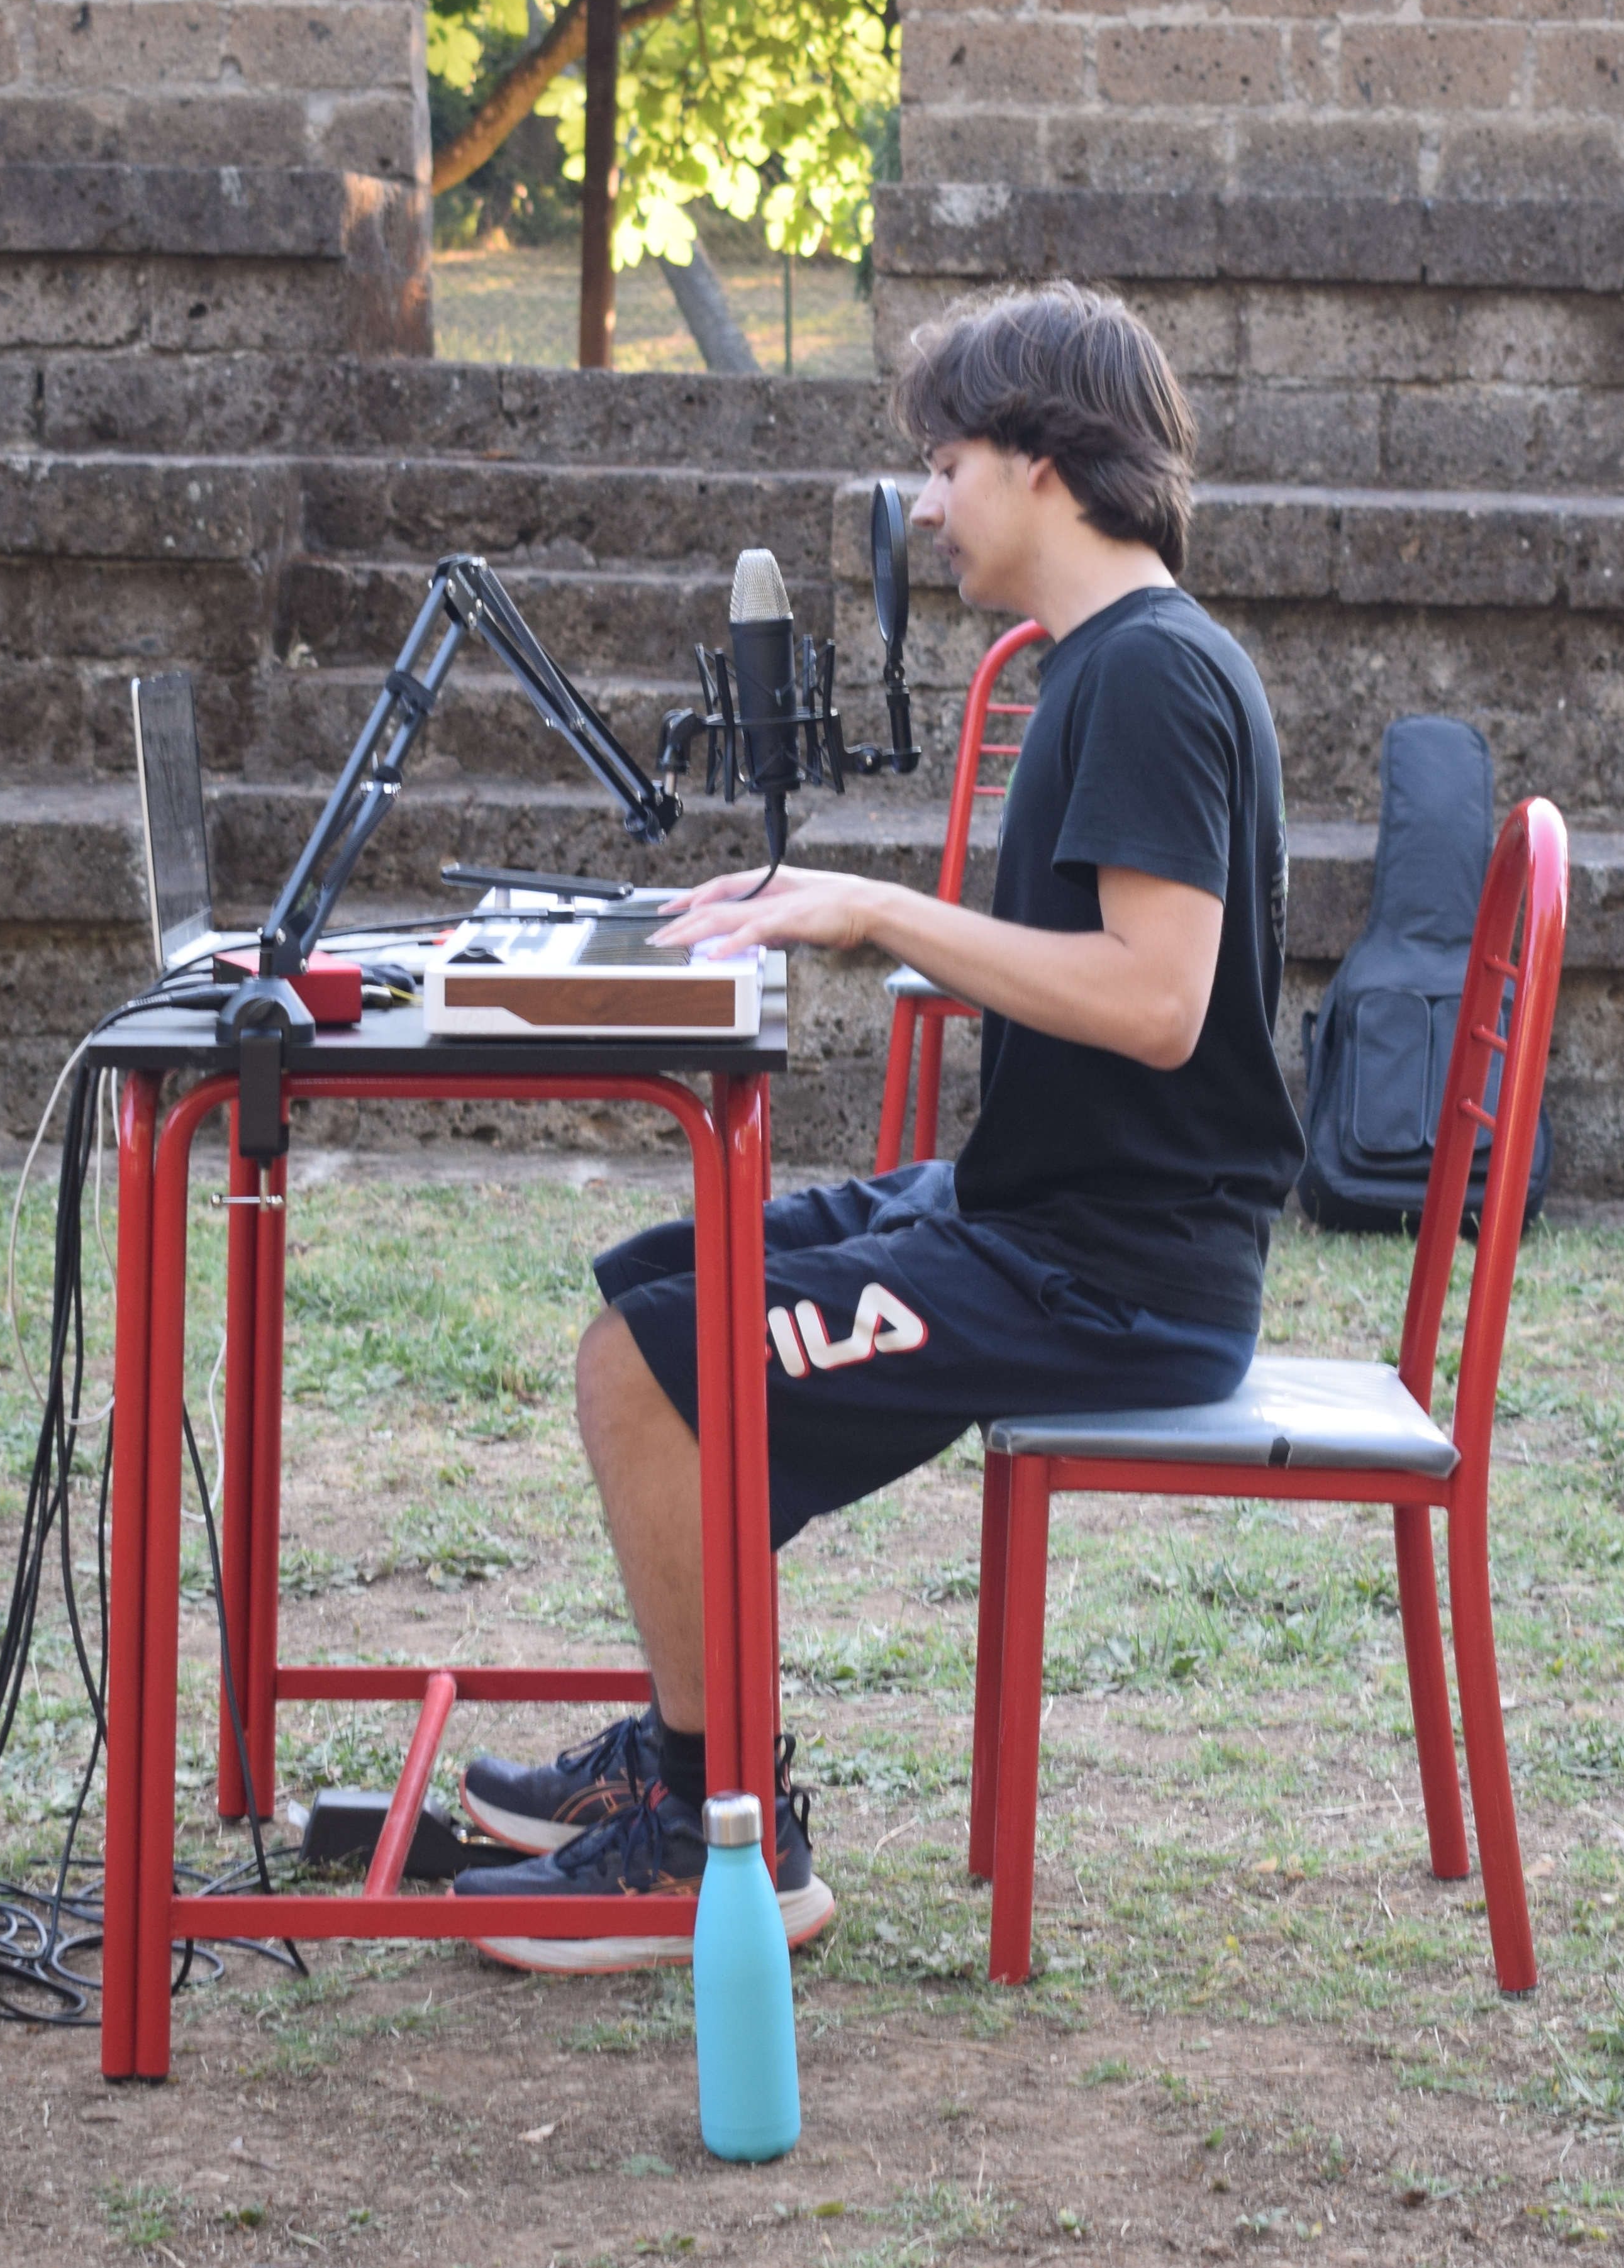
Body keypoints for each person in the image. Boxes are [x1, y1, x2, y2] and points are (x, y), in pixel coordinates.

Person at [449, 280, 1304, 1972]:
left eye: (946, 461)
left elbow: (1155, 1000)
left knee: (655, 1364)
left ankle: (720, 1839)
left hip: (1113, 1279)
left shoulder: (1147, 678)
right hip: (1048, 1222)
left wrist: (876, 914)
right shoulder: (1109, 663)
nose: (926, 504)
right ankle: (692, 1766)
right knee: (654, 1304)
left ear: (1046, 465)